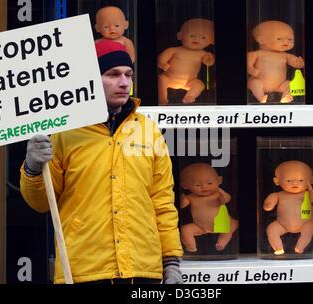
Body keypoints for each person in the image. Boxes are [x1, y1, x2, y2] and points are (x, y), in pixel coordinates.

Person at [20, 40, 183, 284]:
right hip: (83, 270)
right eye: (113, 74)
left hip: (141, 271)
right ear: (91, 79)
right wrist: (32, 167)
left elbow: (162, 201)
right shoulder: (64, 131)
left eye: (128, 74)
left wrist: (171, 262)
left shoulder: (148, 130)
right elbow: (41, 203)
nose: (124, 82)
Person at [179, 163, 239, 252]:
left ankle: (222, 242)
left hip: (222, 224)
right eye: (197, 185)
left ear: (219, 180)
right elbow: (182, 205)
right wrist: (182, 199)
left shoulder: (218, 194)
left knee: (232, 224)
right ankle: (191, 246)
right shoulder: (190, 197)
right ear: (185, 186)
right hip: (199, 226)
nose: (204, 187)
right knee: (185, 230)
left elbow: (226, 200)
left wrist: (223, 195)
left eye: (209, 183)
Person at [157, 18, 215, 105]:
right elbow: (161, 59)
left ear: (212, 41)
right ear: (180, 36)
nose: (197, 39)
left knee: (199, 85)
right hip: (169, 78)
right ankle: (163, 99)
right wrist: (162, 63)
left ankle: (189, 97)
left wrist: (210, 59)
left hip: (189, 82)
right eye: (192, 36)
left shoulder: (203, 54)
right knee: (161, 79)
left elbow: (208, 63)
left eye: (203, 37)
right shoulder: (174, 50)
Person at [263, 160, 313, 255]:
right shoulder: (279, 195)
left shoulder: (306, 194)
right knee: (271, 229)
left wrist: (311, 190)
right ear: (277, 181)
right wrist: (268, 205)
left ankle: (300, 247)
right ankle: (278, 248)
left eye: (301, 180)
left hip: (305, 223)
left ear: (311, 180)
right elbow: (268, 204)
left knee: (308, 231)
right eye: (289, 180)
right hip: (282, 224)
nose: (294, 183)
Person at [247, 20, 304, 103]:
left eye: (290, 39)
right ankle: (261, 97)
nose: (286, 41)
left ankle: (286, 97)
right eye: (279, 39)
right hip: (260, 81)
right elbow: (248, 65)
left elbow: (295, 63)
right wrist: (252, 70)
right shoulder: (256, 54)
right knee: (255, 83)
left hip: (280, 85)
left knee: (291, 84)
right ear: (261, 40)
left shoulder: (285, 55)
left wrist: (299, 63)